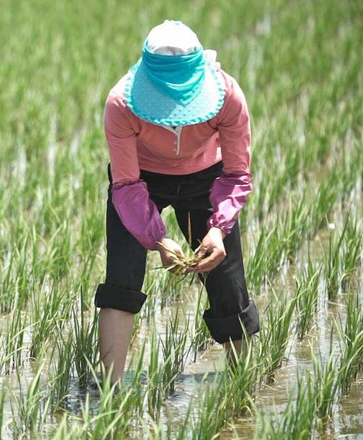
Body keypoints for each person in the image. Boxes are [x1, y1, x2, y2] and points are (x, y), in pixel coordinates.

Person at [96, 20, 260, 382]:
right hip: (142, 181)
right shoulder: (121, 102)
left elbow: (235, 175)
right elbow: (125, 184)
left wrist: (218, 229)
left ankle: (244, 386)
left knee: (227, 283)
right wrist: (158, 239)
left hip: (207, 178)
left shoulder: (227, 95)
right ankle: (107, 393)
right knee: (121, 279)